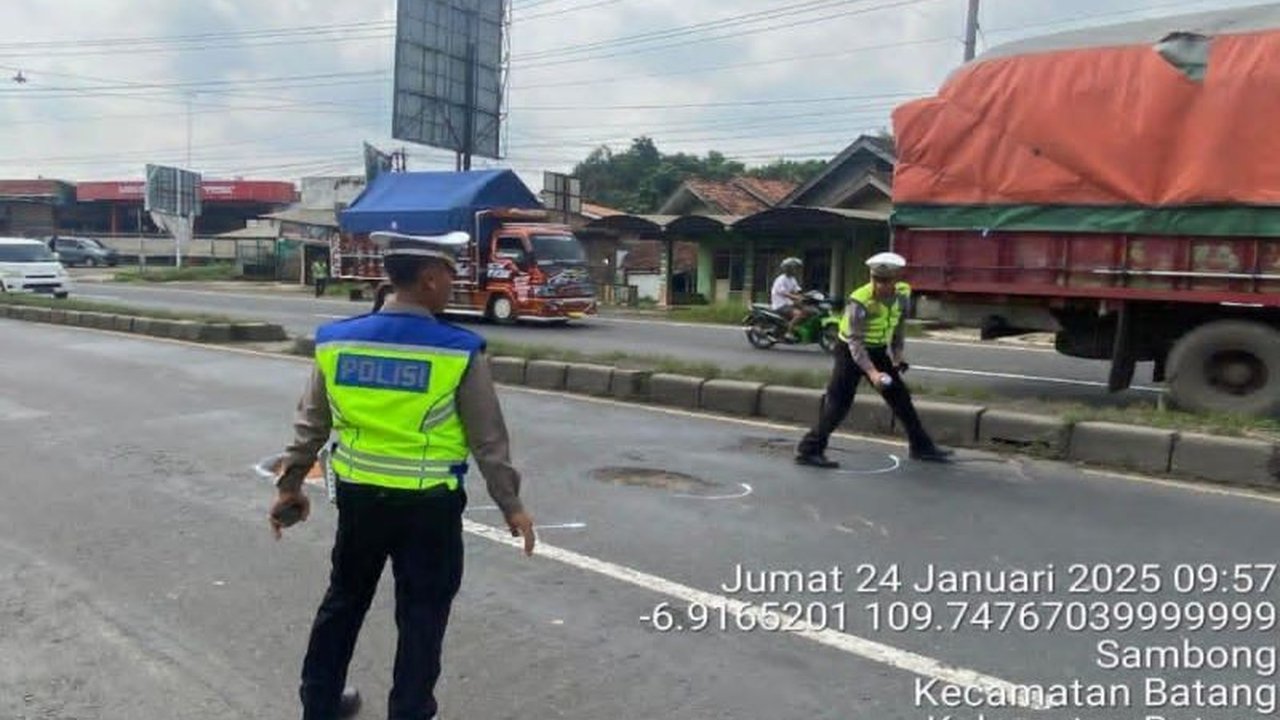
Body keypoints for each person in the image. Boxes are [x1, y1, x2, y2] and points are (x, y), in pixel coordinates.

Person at [270, 229, 537, 720]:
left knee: (344, 601)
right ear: (431, 278)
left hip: (359, 501)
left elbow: (310, 426)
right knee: (421, 617)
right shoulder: (458, 349)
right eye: (451, 275)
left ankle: (320, 705)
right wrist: (512, 506)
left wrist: (289, 489)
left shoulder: (337, 340)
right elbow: (488, 439)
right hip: (428, 510)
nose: (453, 285)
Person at [796, 251, 953, 468]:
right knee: (839, 404)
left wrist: (897, 356)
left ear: (895, 279)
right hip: (849, 352)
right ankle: (809, 450)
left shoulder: (902, 294)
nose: (880, 285)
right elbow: (855, 343)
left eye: (886, 281)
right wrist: (872, 373)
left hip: (878, 350)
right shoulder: (859, 300)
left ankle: (921, 448)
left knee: (901, 398)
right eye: (876, 280)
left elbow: (898, 326)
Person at [770, 256, 811, 341]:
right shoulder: (781, 279)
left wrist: (806, 296)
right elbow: (784, 293)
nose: (796, 270)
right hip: (780, 305)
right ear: (788, 269)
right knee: (799, 314)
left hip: (789, 303)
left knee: (808, 310)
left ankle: (798, 328)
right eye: (794, 268)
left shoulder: (792, 279)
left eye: (796, 268)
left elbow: (797, 290)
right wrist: (795, 297)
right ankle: (789, 332)